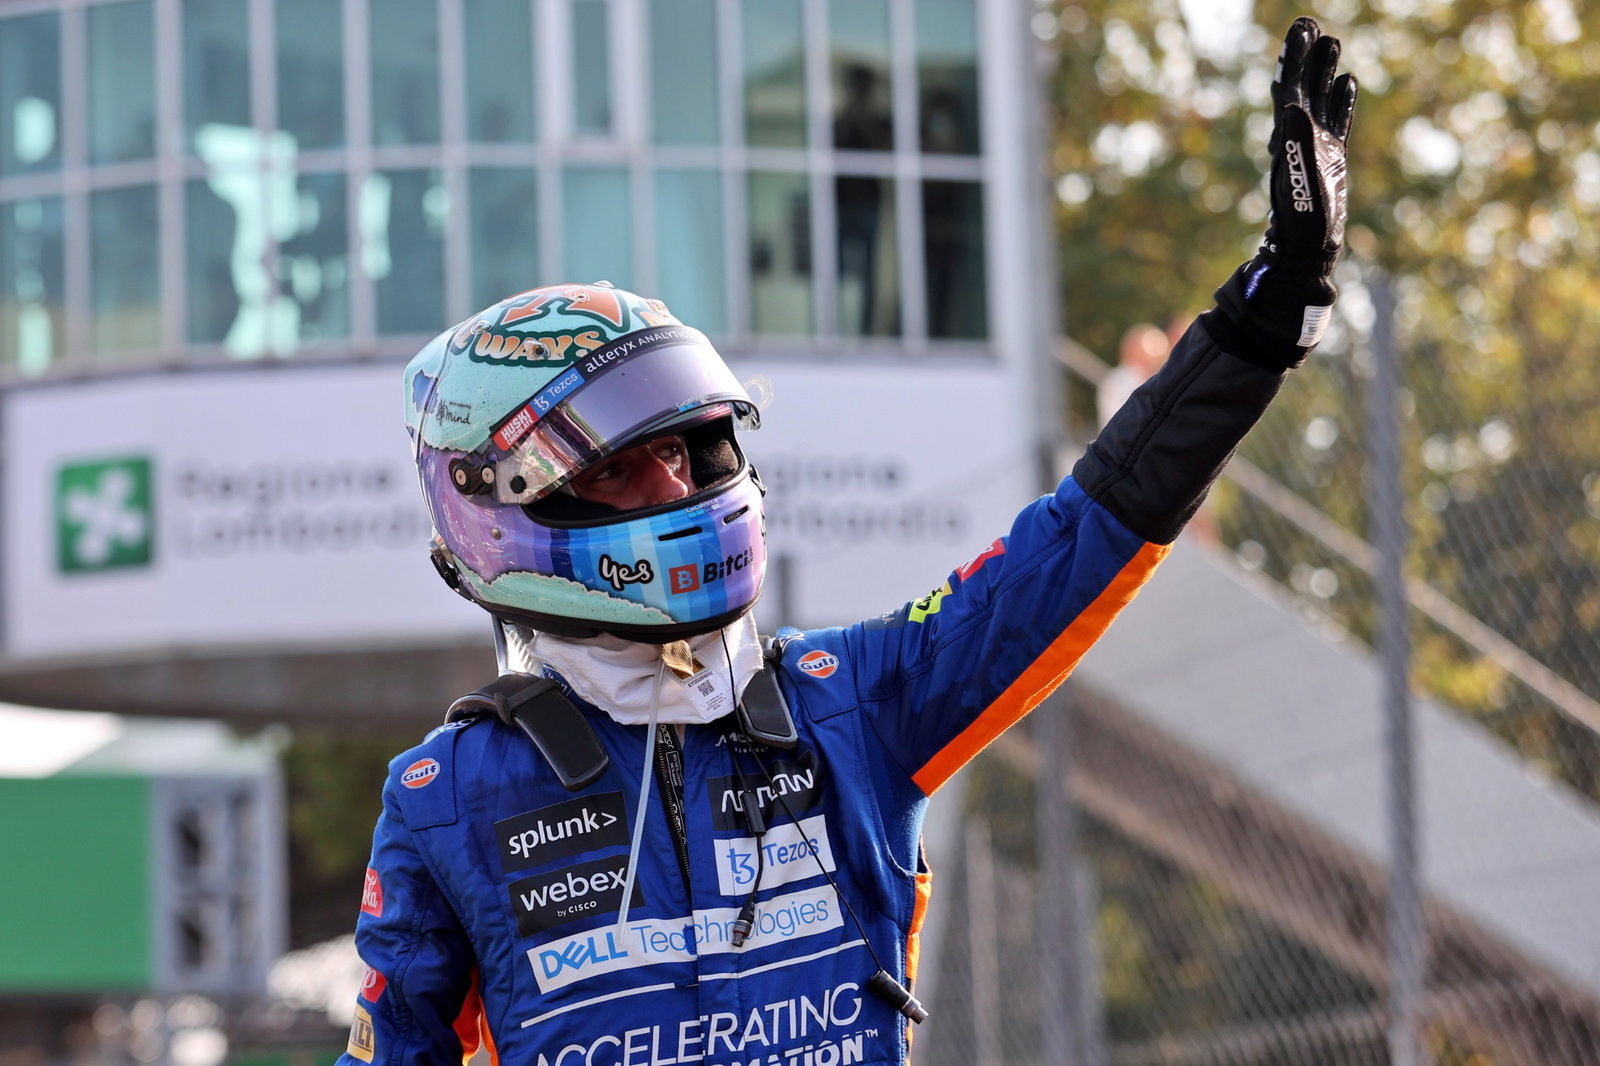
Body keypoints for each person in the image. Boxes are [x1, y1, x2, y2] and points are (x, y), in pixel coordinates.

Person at [341, 17, 1356, 1066]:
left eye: (692, 449)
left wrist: (1269, 311)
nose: (676, 483)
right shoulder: (446, 798)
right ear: (500, 507)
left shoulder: (854, 704)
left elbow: (1085, 534)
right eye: (618, 464)